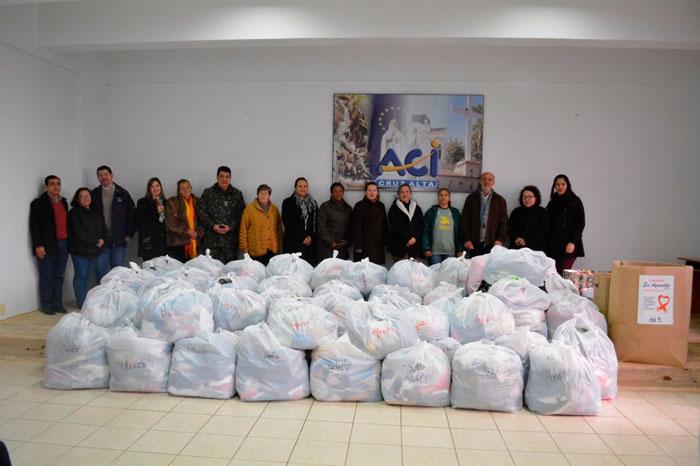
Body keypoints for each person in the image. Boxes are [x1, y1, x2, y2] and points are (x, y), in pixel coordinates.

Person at [29, 175, 69, 315]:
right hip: (47, 244)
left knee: (59, 275)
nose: (56, 186)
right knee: (47, 275)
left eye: (58, 183)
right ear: (46, 187)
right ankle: (47, 305)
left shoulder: (64, 202)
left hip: (63, 244)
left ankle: (57, 303)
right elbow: (35, 227)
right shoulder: (38, 203)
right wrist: (38, 246)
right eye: (52, 184)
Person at [91, 165, 135, 282]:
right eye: (100, 175)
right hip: (101, 239)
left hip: (119, 238)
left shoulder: (123, 193)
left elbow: (132, 215)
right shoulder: (94, 194)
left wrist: (129, 234)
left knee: (117, 267)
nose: (103, 177)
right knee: (101, 267)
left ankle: (116, 294)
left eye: (106, 174)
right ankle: (103, 295)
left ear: (111, 175)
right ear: (98, 178)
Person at [68, 188, 107, 308]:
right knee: (81, 276)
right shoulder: (73, 213)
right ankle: (81, 303)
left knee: (87, 276)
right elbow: (79, 232)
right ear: (77, 199)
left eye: (88, 195)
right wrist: (96, 241)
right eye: (82, 196)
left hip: (94, 251)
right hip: (80, 251)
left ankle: (87, 302)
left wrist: (103, 239)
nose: (86, 198)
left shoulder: (95, 212)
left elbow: (103, 228)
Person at [199, 166, 246, 263]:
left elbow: (241, 214)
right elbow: (201, 213)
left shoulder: (237, 194)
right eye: (221, 176)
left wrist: (231, 227)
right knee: (211, 270)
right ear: (217, 177)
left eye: (227, 176)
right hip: (211, 240)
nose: (224, 179)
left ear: (230, 178)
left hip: (230, 241)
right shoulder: (208, 193)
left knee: (231, 271)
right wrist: (212, 226)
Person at [460, 171, 508, 258]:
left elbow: (503, 223)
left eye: (490, 179)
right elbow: (464, 220)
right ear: (480, 181)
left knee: (490, 270)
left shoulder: (500, 200)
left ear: (493, 182)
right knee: (475, 269)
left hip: (492, 244)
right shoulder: (471, 198)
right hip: (474, 244)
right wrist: (466, 239)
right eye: (484, 179)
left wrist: (499, 239)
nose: (487, 182)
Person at [546, 174, 585, 274]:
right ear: (554, 186)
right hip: (553, 245)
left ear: (568, 185)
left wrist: (572, 242)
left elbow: (580, 223)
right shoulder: (552, 203)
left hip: (569, 244)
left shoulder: (575, 201)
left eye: (563, 184)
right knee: (553, 275)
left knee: (563, 273)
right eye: (557, 184)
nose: (560, 187)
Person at [239, 184, 282, 265]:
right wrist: (244, 249)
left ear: (269, 195)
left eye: (266, 193)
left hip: (272, 251)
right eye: (261, 193)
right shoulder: (249, 209)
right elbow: (243, 230)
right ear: (257, 194)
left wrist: (279, 248)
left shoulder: (274, 209)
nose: (263, 196)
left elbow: (279, 230)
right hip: (255, 251)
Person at [282, 177, 318, 265]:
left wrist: (311, 237)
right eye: (300, 186)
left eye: (305, 186)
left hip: (309, 244)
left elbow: (316, 222)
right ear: (295, 188)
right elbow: (288, 223)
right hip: (293, 243)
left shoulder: (313, 203)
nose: (303, 188)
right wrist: (303, 237)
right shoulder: (288, 202)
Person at [165, 179, 204, 262]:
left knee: (194, 271)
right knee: (179, 272)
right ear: (178, 191)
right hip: (178, 244)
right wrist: (187, 231)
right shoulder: (172, 202)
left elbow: (203, 220)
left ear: (191, 188)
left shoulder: (197, 201)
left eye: (187, 187)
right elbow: (170, 224)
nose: (186, 190)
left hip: (195, 241)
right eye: (182, 188)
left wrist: (198, 233)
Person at [422, 187, 463, 265]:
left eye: (445, 195)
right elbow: (425, 232)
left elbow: (460, 232)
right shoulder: (431, 212)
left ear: (449, 198)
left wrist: (460, 249)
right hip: (434, 252)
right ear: (438, 197)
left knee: (449, 276)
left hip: (451, 252)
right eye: (441, 195)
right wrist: (426, 248)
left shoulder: (455, 213)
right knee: (435, 275)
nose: (443, 197)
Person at [352, 181, 388, 264]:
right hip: (363, 246)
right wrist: (358, 246)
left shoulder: (381, 206)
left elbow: (384, 226)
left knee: (376, 272)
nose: (372, 193)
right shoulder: (359, 206)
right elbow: (356, 227)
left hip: (378, 245)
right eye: (369, 190)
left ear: (377, 192)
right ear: (365, 192)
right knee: (364, 272)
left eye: (374, 190)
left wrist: (385, 243)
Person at [387, 183, 424, 261]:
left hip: (414, 247)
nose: (404, 194)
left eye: (407, 191)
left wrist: (415, 238)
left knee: (414, 272)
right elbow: (394, 226)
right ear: (398, 194)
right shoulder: (394, 208)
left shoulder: (417, 208)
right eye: (402, 192)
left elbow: (421, 225)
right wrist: (408, 238)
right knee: (400, 273)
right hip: (398, 246)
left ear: (410, 194)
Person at [316, 182, 353, 260]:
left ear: (343, 192)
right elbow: (321, 226)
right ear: (331, 193)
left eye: (340, 191)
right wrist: (330, 242)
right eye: (335, 191)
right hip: (327, 247)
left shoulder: (348, 208)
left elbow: (351, 228)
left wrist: (347, 242)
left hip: (342, 247)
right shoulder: (325, 206)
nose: (338, 193)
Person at [508, 185, 549, 252]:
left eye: (530, 197)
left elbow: (543, 230)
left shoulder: (543, 212)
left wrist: (526, 240)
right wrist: (515, 238)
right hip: (516, 247)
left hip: (536, 248)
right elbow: (509, 228)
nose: (527, 199)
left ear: (536, 198)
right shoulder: (516, 211)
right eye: (524, 197)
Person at [135, 177, 168, 261]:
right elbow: (140, 223)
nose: (155, 188)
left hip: (162, 241)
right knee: (150, 268)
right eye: (152, 186)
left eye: (157, 185)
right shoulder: (142, 202)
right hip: (149, 240)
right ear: (149, 188)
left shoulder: (166, 202)